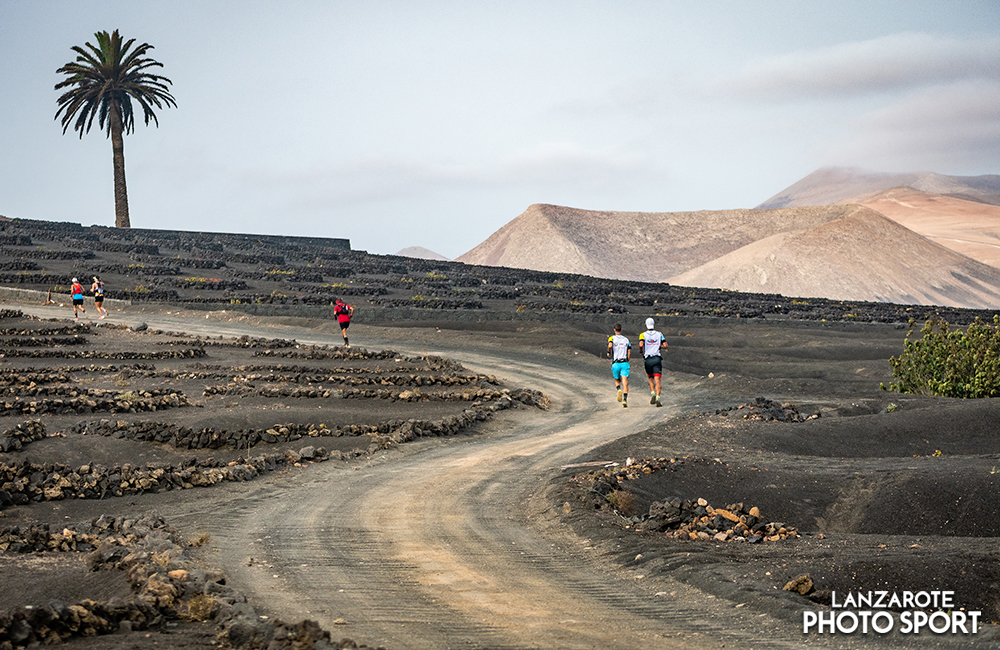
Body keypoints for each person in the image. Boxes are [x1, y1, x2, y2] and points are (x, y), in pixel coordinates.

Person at [639, 317, 667, 407]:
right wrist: (659, 347)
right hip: (657, 358)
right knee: (658, 379)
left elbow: (641, 344)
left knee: (650, 378)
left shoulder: (643, 335)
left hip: (648, 359)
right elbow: (665, 345)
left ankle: (652, 393)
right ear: (654, 325)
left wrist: (641, 351)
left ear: (645, 325)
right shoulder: (659, 334)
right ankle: (658, 397)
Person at [606, 323, 631, 408]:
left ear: (614, 330)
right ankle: (625, 399)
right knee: (625, 382)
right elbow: (629, 351)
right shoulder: (626, 340)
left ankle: (618, 389)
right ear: (621, 330)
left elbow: (610, 345)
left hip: (616, 363)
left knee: (617, 379)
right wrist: (627, 359)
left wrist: (609, 352)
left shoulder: (612, 338)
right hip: (624, 362)